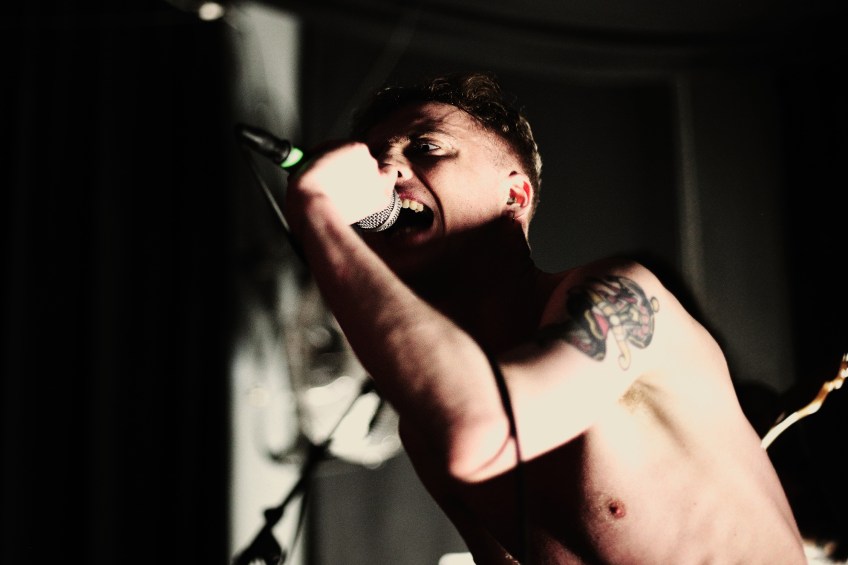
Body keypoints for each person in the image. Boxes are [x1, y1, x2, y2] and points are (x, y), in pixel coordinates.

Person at [283, 71, 806, 564]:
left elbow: (482, 429)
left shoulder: (620, 295)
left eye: (425, 148)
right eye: (374, 160)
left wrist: (318, 211)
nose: (385, 174)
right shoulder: (422, 432)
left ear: (515, 196)